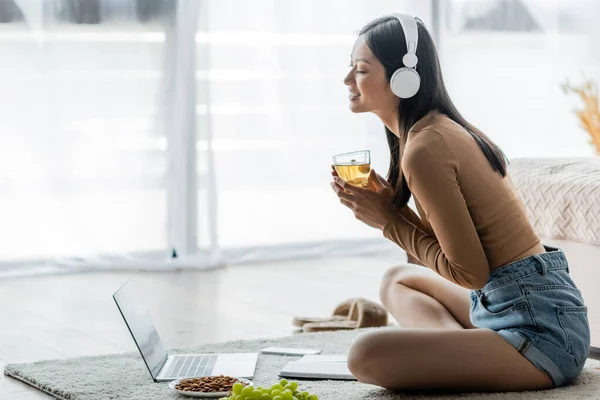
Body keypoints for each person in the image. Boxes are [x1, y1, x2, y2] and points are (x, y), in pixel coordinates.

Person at [330, 13, 590, 392]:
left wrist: (389, 222)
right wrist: (394, 211)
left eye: (361, 69)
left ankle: (460, 359)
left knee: (364, 353)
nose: (348, 80)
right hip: (514, 303)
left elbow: (470, 273)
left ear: (403, 78)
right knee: (397, 280)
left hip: (541, 332)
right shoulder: (432, 130)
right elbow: (461, 257)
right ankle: (460, 357)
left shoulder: (425, 148)